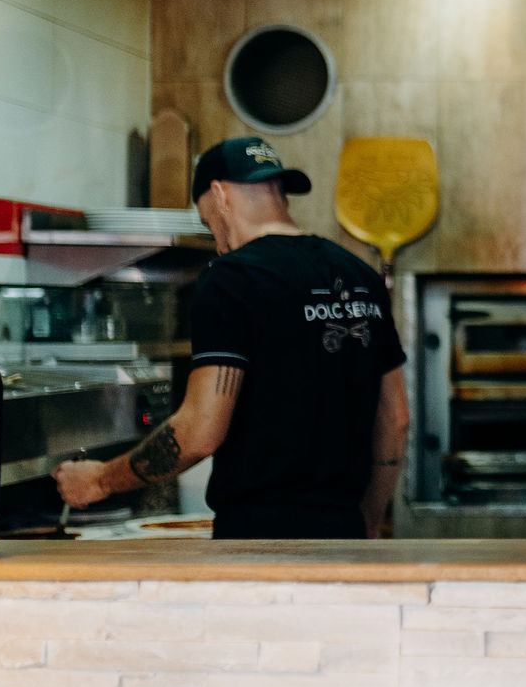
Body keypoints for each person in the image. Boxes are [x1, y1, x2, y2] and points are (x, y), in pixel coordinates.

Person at [54, 137, 410, 540]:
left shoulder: (232, 278)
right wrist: (370, 518)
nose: (217, 241)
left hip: (257, 541)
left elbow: (200, 432)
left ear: (220, 195)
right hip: (344, 531)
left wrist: (100, 479)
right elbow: (396, 420)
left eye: (208, 224)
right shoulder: (361, 276)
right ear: (282, 196)